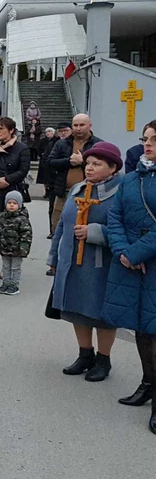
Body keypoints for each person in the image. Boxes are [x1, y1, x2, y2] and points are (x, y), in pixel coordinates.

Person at [48, 142, 122, 381]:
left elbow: (127, 232)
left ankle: (104, 359)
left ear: (112, 168)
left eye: (96, 164)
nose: (89, 168)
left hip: (102, 264)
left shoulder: (121, 194)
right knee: (76, 308)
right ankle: (85, 354)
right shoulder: (78, 189)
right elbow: (62, 225)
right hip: (72, 260)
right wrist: (54, 256)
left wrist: (96, 232)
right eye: (88, 163)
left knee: (101, 313)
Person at [101, 119, 156, 434]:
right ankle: (147, 382)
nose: (147, 143)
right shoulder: (132, 178)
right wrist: (124, 251)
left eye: (154, 139)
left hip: (149, 262)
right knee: (141, 326)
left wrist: (136, 253)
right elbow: (115, 216)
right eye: (145, 138)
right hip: (132, 264)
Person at [0, 116, 32, 279]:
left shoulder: (21, 148)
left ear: (11, 130)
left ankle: (10, 264)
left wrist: (8, 180)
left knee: (12, 230)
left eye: (1, 129)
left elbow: (23, 169)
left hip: (12, 192)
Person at [47, 114, 102, 234]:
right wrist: (69, 161)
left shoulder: (97, 144)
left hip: (88, 193)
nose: (78, 128)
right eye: (75, 125)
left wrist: (82, 162)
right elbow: (50, 162)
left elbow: (102, 167)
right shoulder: (62, 143)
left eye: (82, 125)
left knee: (82, 226)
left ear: (90, 126)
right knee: (57, 226)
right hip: (63, 192)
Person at [0, 190, 32, 296]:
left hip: (17, 250)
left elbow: (26, 235)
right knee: (6, 267)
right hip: (4, 248)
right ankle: (6, 283)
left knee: (15, 267)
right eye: (9, 203)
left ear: (20, 204)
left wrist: (23, 249)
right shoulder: (1, 216)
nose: (11, 205)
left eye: (14, 203)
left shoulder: (22, 219)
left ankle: (14, 285)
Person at [36, 126, 59, 236]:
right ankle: (53, 230)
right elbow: (47, 159)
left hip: (65, 181)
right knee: (53, 208)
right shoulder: (48, 143)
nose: (48, 133)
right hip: (53, 180)